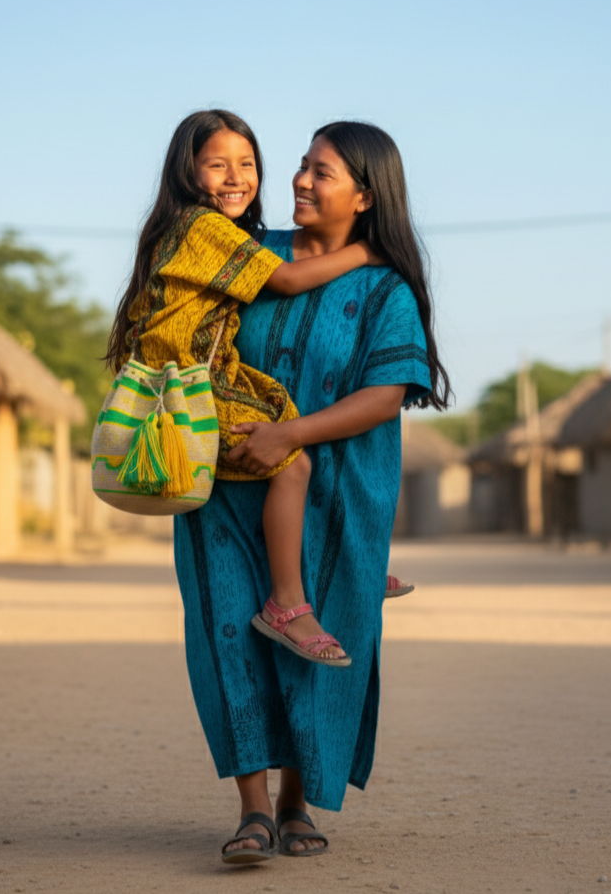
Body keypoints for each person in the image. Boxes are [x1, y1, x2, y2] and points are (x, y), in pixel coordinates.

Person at [173, 120, 450, 864]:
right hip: (226, 486)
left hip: (335, 488)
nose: (299, 178)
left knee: (310, 639)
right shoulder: (248, 252)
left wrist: (291, 436)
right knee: (229, 628)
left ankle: (297, 803)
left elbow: (387, 393)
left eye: (320, 172)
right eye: (300, 165)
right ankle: (253, 810)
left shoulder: (385, 286)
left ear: (364, 195)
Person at [105, 110, 382, 668]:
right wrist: (367, 252)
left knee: (287, 413)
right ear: (187, 172)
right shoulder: (200, 227)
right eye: (217, 165)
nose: (236, 177)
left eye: (247, 164)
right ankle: (286, 604)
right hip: (190, 380)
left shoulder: (205, 230)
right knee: (294, 462)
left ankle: (345, 569)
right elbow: (285, 278)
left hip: (208, 369)